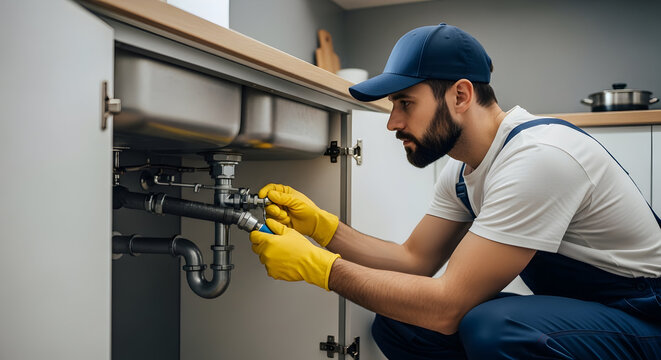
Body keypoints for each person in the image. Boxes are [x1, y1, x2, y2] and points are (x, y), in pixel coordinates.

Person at [249, 23, 661, 359]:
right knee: (401, 322)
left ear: (461, 95)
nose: (392, 122)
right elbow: (413, 261)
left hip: (644, 319)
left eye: (405, 103)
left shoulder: (539, 158)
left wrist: (321, 268)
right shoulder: (465, 170)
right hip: (589, 313)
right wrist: (324, 229)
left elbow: (447, 306)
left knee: (494, 330)